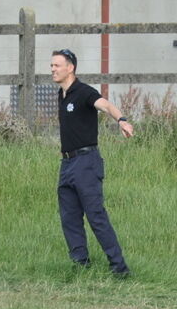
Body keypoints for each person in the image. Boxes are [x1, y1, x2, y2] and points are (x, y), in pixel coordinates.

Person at [50, 48, 133, 276]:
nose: (53, 70)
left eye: (57, 65)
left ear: (70, 68)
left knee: (95, 215)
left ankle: (119, 266)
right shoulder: (61, 94)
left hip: (86, 163)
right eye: (52, 66)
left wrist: (121, 120)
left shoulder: (84, 92)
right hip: (66, 164)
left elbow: (105, 104)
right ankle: (80, 264)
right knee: (69, 216)